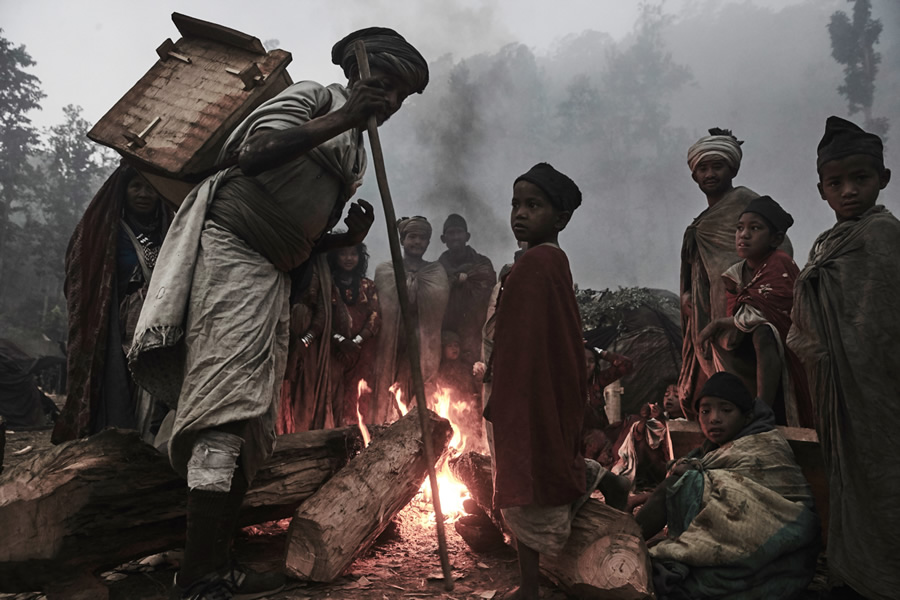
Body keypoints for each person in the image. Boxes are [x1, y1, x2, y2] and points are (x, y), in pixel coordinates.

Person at [127, 28, 429, 600]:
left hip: (270, 273)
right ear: (357, 76)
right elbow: (255, 155)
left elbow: (299, 234)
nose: (389, 102)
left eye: (399, 98)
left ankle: (219, 563)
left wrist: (344, 235)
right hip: (231, 251)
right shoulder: (317, 97)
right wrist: (344, 119)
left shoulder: (357, 153)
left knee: (250, 418)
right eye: (384, 86)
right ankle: (198, 578)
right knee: (223, 407)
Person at [483, 163, 629, 600]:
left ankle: (529, 588)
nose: (519, 214)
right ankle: (608, 481)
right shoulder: (544, 261)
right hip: (545, 385)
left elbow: (525, 342)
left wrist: (510, 397)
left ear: (560, 218)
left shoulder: (538, 262)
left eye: (534, 205)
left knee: (527, 479)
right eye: (515, 204)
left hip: (530, 390)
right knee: (546, 462)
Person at [787, 116, 900, 600]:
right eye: (837, 183)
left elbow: (884, 320)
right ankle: (853, 572)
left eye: (861, 178)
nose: (849, 190)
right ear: (821, 190)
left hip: (881, 390)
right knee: (846, 476)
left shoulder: (884, 237)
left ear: (884, 180)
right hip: (836, 389)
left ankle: (885, 575)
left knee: (885, 476)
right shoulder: (826, 244)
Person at [636, 372, 819, 599]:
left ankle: (627, 540)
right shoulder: (711, 450)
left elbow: (768, 497)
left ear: (746, 415)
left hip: (785, 550)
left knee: (678, 485)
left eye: (726, 410)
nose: (714, 418)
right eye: (705, 411)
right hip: (777, 563)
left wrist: (685, 478)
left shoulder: (764, 444)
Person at [53, 165, 173, 445]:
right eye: (136, 187)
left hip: (163, 325)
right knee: (121, 388)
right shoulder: (106, 231)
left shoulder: (170, 230)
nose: (144, 194)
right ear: (124, 190)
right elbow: (80, 273)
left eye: (151, 187)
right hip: (117, 330)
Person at [677, 128, 792, 416]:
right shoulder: (699, 222)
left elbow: (782, 249)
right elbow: (696, 266)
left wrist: (753, 294)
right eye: (702, 168)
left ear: (733, 168)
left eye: (717, 166)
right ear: (694, 175)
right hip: (707, 311)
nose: (710, 174)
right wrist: (688, 295)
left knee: (753, 364)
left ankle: (761, 415)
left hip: (745, 311)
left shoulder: (747, 203)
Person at [698, 196, 813, 427]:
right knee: (715, 342)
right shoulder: (735, 274)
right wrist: (719, 327)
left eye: (755, 228)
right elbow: (740, 317)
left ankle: (762, 409)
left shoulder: (780, 263)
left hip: (783, 346)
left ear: (776, 239)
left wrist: (719, 322)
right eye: (740, 228)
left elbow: (774, 315)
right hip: (748, 344)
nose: (744, 235)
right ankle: (733, 405)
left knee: (763, 331)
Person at [372, 216, 449, 423]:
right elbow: (381, 311)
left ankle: (420, 432)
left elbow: (436, 312)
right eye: (412, 237)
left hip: (423, 346)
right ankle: (384, 427)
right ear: (402, 240)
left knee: (421, 389)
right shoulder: (386, 271)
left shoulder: (436, 272)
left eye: (422, 238)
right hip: (393, 345)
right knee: (390, 388)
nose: (417, 242)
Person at [327, 239, 380, 425]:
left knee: (359, 393)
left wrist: (356, 341)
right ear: (335, 257)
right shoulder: (327, 285)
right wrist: (340, 340)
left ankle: (358, 438)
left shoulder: (368, 286)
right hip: (333, 350)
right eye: (343, 253)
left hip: (362, 352)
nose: (349, 258)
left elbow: (375, 317)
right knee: (332, 393)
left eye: (353, 253)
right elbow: (323, 317)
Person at [438, 213, 496, 367]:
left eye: (459, 232)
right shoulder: (437, 270)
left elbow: (488, 290)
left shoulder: (482, 264)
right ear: (443, 239)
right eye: (451, 233)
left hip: (475, 330)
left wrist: (463, 278)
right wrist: (455, 280)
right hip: (448, 333)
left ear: (467, 236)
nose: (455, 237)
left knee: (477, 373)